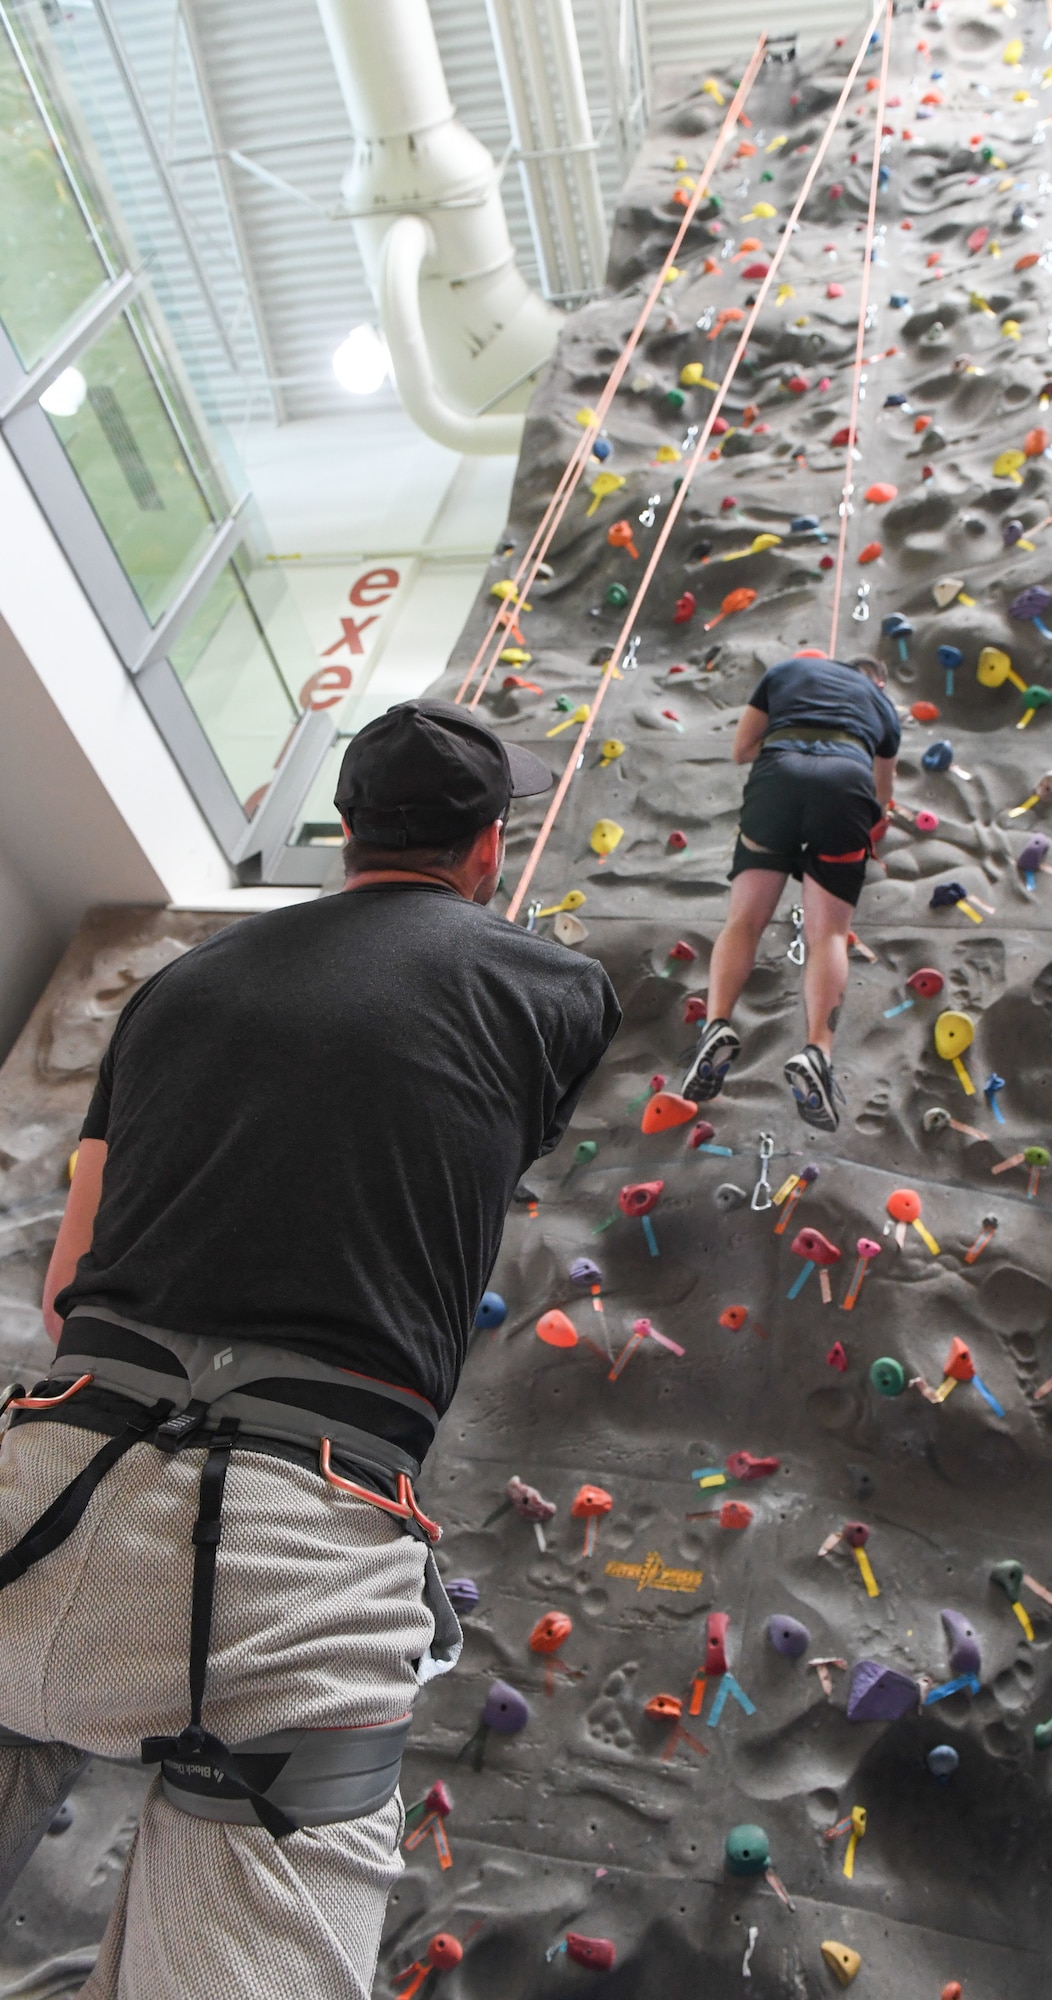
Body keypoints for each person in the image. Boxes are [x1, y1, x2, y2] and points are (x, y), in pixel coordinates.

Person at [0, 699, 619, 1997]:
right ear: (489, 848)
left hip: (41, 1489)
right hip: (296, 1563)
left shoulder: (173, 991)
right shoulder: (553, 992)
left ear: (344, 830)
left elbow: (69, 1281)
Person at [682, 650, 899, 1131]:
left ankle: (716, 1024)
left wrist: (794, 749)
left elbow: (741, 749)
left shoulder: (786, 671)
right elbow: (883, 799)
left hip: (776, 777)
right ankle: (817, 1052)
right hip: (846, 786)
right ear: (877, 682)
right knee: (828, 935)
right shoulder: (881, 706)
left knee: (744, 920)